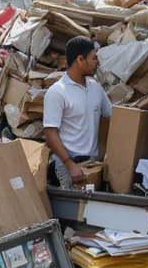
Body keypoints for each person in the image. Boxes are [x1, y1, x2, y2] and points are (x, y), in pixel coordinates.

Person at [42, 36, 112, 188]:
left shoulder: (96, 88)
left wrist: (101, 154)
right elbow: (50, 133)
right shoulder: (58, 92)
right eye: (94, 58)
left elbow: (108, 117)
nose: (97, 62)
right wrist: (70, 164)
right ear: (80, 59)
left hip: (91, 165)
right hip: (67, 166)